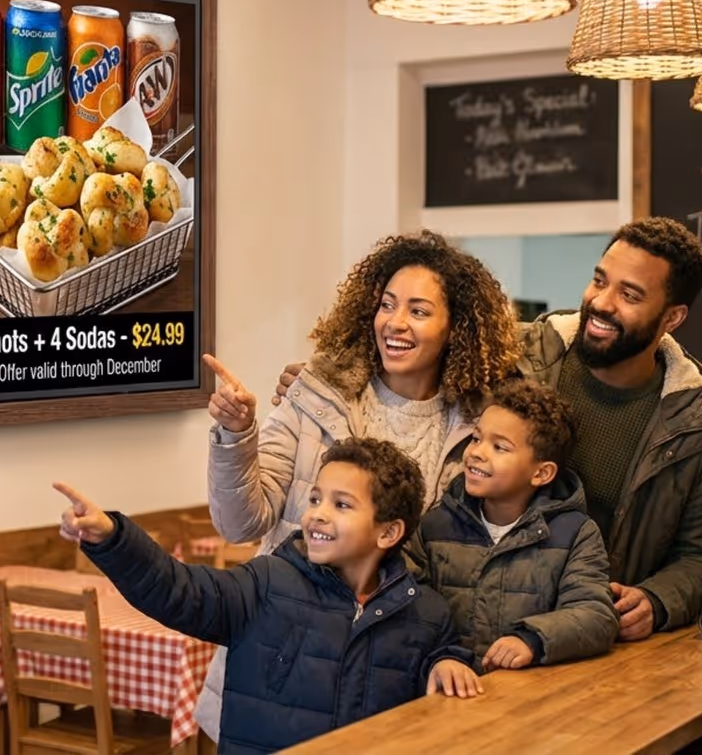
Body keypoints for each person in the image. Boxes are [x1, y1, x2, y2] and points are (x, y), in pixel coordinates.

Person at [276, 217, 702, 642]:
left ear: (672, 317)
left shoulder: (701, 429)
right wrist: (326, 380)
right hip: (475, 630)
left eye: (630, 295)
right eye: (599, 280)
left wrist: (658, 601)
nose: (601, 302)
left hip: (599, 640)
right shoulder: (513, 357)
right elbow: (411, 344)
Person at [199, 230, 519, 736]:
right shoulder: (316, 396)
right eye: (388, 305)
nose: (395, 322)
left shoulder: (477, 431)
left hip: (391, 675)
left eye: (418, 310)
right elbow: (241, 523)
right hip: (284, 660)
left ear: (455, 328)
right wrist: (237, 435)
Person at [57, 438, 480, 755]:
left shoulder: (425, 612)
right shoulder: (266, 582)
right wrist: (113, 539)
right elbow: (178, 590)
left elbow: (442, 655)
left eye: (342, 505)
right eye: (315, 498)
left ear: (388, 532)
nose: (317, 513)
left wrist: (448, 660)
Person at [410, 378, 618, 670]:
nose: (477, 453)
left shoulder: (575, 534)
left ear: (541, 473)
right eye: (476, 438)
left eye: (500, 447)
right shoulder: (435, 526)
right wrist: (441, 656)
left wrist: (532, 640)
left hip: (524, 697)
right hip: (447, 691)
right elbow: (413, 609)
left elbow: (595, 616)